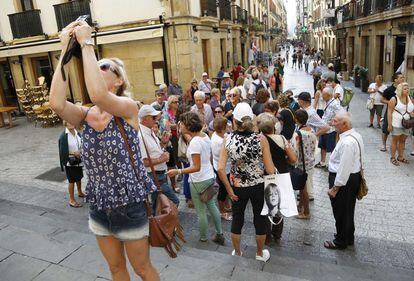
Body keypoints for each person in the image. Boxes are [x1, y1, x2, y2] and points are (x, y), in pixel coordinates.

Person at [49, 21, 159, 280]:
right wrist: (65, 51)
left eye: (104, 66)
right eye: (95, 66)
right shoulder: (84, 115)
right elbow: (55, 102)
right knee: (116, 268)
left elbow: (99, 95)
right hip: (99, 205)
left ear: (119, 80)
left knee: (143, 269)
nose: (97, 68)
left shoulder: (129, 108)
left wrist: (86, 44)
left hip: (130, 204)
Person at [218, 102, 275, 262]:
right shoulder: (260, 139)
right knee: (260, 218)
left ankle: (237, 252)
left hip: (237, 187)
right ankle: (259, 253)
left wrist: (229, 190)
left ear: (234, 121)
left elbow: (221, 169)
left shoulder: (228, 139)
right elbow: (270, 170)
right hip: (258, 186)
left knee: (237, 218)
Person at [167, 112, 225, 245]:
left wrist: (178, 170)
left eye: (181, 123)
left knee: (201, 211)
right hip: (209, 176)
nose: (179, 126)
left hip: (198, 180)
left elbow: (196, 167)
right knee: (211, 206)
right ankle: (219, 233)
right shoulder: (204, 136)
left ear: (188, 125)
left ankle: (203, 237)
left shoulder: (194, 143)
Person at [325, 112, 364, 250]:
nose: (332, 123)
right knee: (347, 210)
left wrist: (335, 188)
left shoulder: (347, 142)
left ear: (345, 124)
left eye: (335, 121)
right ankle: (348, 237)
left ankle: (340, 241)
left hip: (344, 180)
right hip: (351, 178)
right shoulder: (355, 135)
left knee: (341, 211)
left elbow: (344, 167)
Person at [257, 113, 297, 243]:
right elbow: (293, 159)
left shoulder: (257, 140)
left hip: (263, 175)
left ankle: (266, 235)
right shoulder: (282, 139)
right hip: (280, 175)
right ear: (274, 126)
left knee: (264, 205)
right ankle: (277, 234)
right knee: (277, 204)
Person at [138, 105, 180, 208]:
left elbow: (153, 152)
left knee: (158, 206)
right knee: (174, 201)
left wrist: (163, 143)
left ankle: (160, 223)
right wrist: (162, 159)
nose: (156, 118)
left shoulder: (149, 131)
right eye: (153, 117)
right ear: (145, 118)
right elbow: (143, 162)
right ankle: (162, 223)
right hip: (154, 176)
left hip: (159, 175)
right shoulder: (141, 136)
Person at [294, 110, 317, 219]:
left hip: (301, 164)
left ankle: (306, 212)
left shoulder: (298, 134)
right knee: (303, 187)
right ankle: (300, 206)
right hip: (310, 162)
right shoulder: (311, 130)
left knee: (303, 190)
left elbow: (295, 150)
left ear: (296, 119)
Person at [58, 121, 85, 208]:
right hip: (70, 162)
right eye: (69, 122)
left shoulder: (78, 133)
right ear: (65, 124)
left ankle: (80, 192)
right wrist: (74, 153)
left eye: (72, 121)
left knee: (79, 177)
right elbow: (62, 152)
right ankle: (71, 199)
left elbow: (82, 145)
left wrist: (80, 151)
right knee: (72, 181)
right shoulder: (63, 136)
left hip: (78, 160)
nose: (71, 123)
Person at [387, 82, 414, 166]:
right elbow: (389, 112)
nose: (407, 90)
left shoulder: (409, 98)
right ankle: (392, 158)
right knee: (395, 140)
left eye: (408, 88)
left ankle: (400, 157)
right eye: (405, 89)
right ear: (400, 90)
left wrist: (412, 113)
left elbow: (411, 109)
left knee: (403, 140)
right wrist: (389, 124)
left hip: (407, 123)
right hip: (396, 123)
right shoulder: (394, 99)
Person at [211, 117, 232, 221]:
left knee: (224, 189)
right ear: (223, 128)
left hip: (219, 165)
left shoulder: (216, 135)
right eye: (226, 125)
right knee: (223, 191)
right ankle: (222, 212)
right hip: (223, 168)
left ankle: (227, 205)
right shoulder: (220, 141)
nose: (229, 125)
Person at [316, 87, 342, 168]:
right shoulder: (328, 102)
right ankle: (322, 162)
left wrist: (333, 122)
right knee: (322, 146)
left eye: (323, 95)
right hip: (324, 129)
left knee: (332, 148)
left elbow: (340, 115)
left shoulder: (335, 104)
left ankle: (332, 164)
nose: (322, 97)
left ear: (328, 95)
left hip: (331, 130)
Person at [380, 72, 405, 152]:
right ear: (395, 79)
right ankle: (384, 145)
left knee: (400, 128)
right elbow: (382, 99)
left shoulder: (404, 89)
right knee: (386, 128)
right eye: (401, 78)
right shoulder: (389, 90)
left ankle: (397, 144)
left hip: (401, 113)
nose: (403, 79)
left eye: (403, 77)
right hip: (390, 112)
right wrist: (390, 103)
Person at [161, 95, 181, 193]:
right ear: (170, 103)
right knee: (173, 158)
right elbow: (166, 125)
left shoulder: (179, 111)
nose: (177, 103)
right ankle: (172, 185)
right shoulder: (166, 113)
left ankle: (179, 174)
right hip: (171, 138)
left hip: (179, 135)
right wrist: (177, 125)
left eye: (177, 101)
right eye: (174, 102)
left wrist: (175, 126)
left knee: (179, 155)